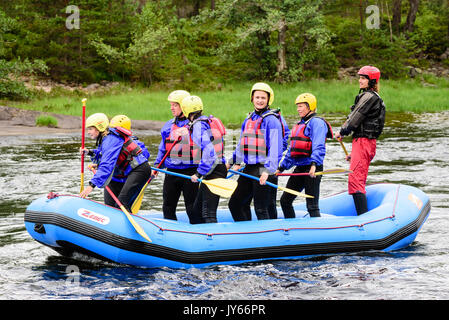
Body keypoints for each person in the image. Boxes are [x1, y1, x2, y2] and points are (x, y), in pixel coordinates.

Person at [227, 82, 284, 221]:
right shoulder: (249, 119)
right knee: (235, 204)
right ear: (252, 98)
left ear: (268, 100)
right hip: (249, 169)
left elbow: (276, 148)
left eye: (263, 98)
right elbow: (242, 145)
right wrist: (232, 162)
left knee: (261, 208)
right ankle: (246, 236)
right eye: (257, 97)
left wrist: (268, 170)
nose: (259, 100)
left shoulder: (272, 120)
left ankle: (268, 240)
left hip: (264, 169)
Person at [334, 65, 386, 215]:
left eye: (363, 78)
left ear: (371, 81)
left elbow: (355, 118)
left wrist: (342, 132)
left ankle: (363, 218)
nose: (360, 80)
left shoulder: (368, 97)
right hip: (364, 144)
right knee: (356, 178)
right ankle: (362, 215)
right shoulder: (372, 97)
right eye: (360, 77)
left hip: (364, 142)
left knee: (355, 181)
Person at [79, 113, 151, 212]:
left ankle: (128, 224)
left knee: (121, 205)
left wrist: (91, 185)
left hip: (139, 170)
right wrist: (90, 152)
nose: (88, 132)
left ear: (99, 128)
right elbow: (103, 154)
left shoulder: (110, 140)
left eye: (90, 129)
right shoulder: (105, 139)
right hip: (124, 172)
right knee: (110, 206)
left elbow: (106, 165)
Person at [276, 93, 333, 218]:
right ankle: (290, 231)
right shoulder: (300, 125)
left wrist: (314, 164)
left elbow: (319, 146)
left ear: (310, 106)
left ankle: (317, 234)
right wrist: (281, 168)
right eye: (298, 106)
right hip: (300, 168)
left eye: (301, 106)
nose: (298, 109)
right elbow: (292, 151)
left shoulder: (317, 123)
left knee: (312, 206)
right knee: (285, 201)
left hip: (313, 168)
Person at [153, 90, 200, 223]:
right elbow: (163, 148)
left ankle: (198, 234)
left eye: (175, 105)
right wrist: (157, 165)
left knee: (191, 207)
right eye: (171, 105)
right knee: (167, 206)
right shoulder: (168, 125)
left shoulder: (196, 125)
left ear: (184, 106)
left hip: (191, 172)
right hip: (172, 172)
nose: (171, 107)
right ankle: (169, 234)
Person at [180, 95, 227, 223]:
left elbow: (209, 152)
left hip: (214, 170)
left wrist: (199, 172)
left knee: (208, 212)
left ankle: (213, 241)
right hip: (214, 169)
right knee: (196, 212)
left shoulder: (198, 126)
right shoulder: (206, 122)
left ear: (186, 110)